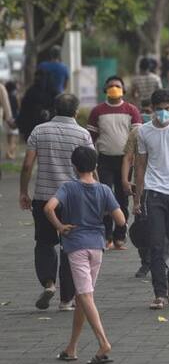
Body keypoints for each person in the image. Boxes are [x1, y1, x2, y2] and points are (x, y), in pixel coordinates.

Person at [44, 146, 126, 364]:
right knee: (82, 296)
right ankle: (71, 348)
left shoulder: (68, 187)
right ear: (96, 166)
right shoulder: (104, 190)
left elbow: (48, 208)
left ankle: (103, 343)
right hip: (97, 247)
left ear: (74, 165)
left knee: (85, 296)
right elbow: (121, 220)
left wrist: (60, 227)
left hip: (76, 246)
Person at [20, 94, 94, 311]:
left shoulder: (39, 130)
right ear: (76, 111)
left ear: (54, 109)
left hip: (44, 198)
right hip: (74, 199)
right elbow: (91, 167)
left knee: (44, 243)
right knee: (71, 249)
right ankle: (66, 300)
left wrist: (23, 191)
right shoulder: (83, 134)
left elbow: (26, 165)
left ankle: (49, 283)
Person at [133, 89, 169, 309]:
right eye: (159, 109)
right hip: (153, 192)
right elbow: (140, 165)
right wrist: (137, 199)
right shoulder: (144, 132)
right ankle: (159, 294)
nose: (163, 113)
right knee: (156, 245)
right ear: (153, 110)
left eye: (167, 109)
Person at [87, 76, 142, 249]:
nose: (114, 88)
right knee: (104, 197)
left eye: (117, 86)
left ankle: (119, 236)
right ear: (105, 89)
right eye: (110, 86)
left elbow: (137, 137)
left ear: (123, 90)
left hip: (126, 161)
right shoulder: (97, 111)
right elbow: (90, 138)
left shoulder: (131, 110)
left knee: (122, 198)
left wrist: (135, 157)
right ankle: (106, 236)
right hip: (104, 160)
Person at [122, 100, 154, 278]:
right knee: (141, 225)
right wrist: (125, 180)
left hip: (164, 186)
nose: (148, 114)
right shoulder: (136, 132)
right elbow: (127, 158)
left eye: (150, 111)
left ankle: (158, 259)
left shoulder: (167, 131)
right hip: (141, 186)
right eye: (145, 112)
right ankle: (145, 261)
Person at [0, 81, 16, 160]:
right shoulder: (1, 88)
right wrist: (10, 120)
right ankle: (10, 153)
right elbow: (6, 106)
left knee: (8, 138)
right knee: (11, 139)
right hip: (6, 120)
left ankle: (9, 153)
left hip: (3, 120)